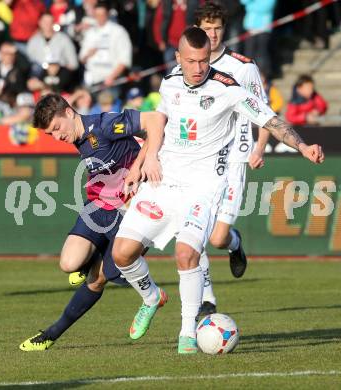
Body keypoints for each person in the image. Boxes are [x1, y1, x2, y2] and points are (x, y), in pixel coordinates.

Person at [112, 27, 324, 354]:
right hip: (163, 182)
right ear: (179, 58)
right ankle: (151, 296)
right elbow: (159, 127)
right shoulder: (168, 84)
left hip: (204, 188)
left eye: (204, 60)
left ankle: (186, 334)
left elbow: (271, 121)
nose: (198, 68)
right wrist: (143, 161)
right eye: (191, 61)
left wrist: (303, 145)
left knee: (187, 254)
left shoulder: (228, 88)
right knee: (122, 254)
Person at [19, 93, 163, 351]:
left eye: (56, 128)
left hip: (129, 211)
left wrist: (141, 163)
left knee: (99, 279)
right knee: (68, 263)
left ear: (69, 112)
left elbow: (155, 120)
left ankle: (51, 334)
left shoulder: (106, 124)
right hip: (98, 205)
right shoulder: (78, 136)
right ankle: (87, 264)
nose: (57, 137)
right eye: (50, 134)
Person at [193, 1, 270, 315]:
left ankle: (234, 244)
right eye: (206, 28)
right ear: (196, 30)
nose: (212, 34)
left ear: (224, 30)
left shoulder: (242, 66)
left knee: (218, 237)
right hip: (195, 162)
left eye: (217, 28)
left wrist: (259, 147)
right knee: (191, 232)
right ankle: (206, 300)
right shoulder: (186, 65)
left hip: (233, 160)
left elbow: (263, 112)